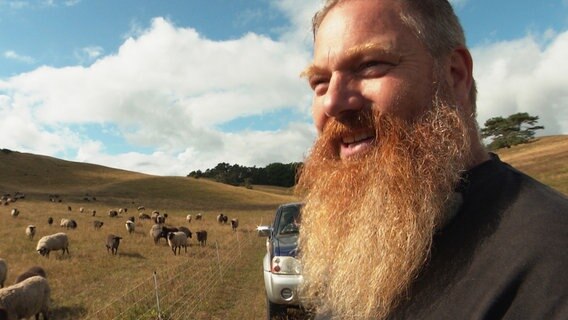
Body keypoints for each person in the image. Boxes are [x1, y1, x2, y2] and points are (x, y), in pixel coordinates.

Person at [295, 0, 568, 319]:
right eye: (320, 83)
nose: (333, 102)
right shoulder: (366, 245)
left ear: (454, 74)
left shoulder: (552, 255)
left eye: (370, 65)